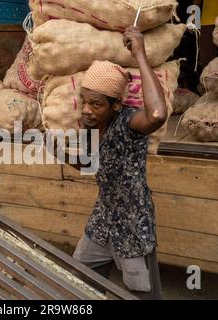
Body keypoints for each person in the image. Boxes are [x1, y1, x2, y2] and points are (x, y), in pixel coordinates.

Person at [72, 26, 168, 300]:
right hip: (102, 220)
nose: (87, 110)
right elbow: (89, 165)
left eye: (96, 104)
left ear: (115, 105)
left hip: (133, 226)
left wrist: (139, 53)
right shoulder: (89, 126)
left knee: (142, 293)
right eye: (84, 102)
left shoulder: (128, 122)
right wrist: (63, 155)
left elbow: (159, 114)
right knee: (76, 278)